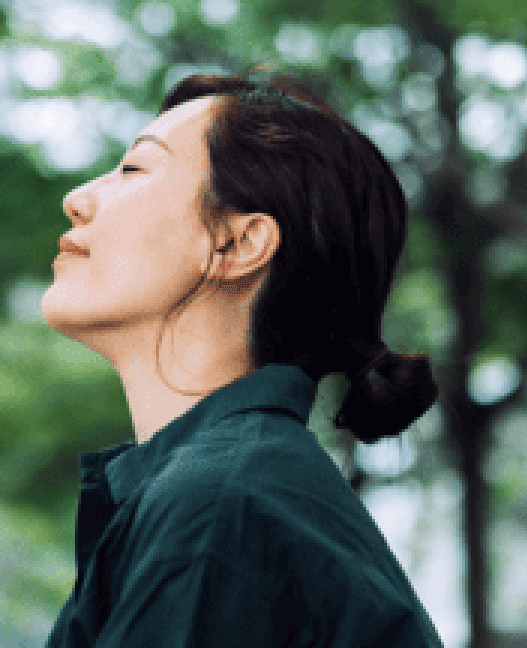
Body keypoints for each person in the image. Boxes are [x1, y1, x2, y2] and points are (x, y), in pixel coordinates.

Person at [40, 67, 443, 647]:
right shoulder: (233, 487)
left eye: (133, 169)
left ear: (239, 243)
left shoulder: (221, 508)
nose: (77, 200)